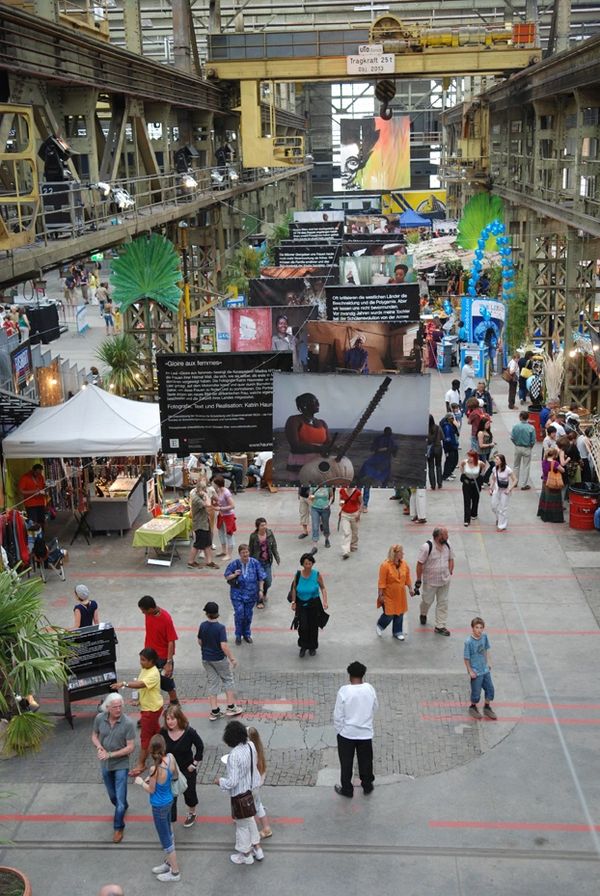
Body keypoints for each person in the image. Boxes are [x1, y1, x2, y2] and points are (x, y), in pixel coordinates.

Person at [134, 734, 182, 881]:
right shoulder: (171, 759)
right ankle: (169, 862)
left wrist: (141, 782)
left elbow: (151, 790)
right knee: (169, 831)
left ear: (150, 750)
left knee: (166, 840)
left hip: (159, 806)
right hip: (169, 801)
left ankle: (175, 872)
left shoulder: (154, 769)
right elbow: (174, 776)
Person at [217, 720, 264, 865]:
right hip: (253, 788)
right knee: (250, 818)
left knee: (242, 825)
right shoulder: (250, 745)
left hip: (240, 795)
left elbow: (232, 782)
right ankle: (257, 848)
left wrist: (219, 781)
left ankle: (246, 854)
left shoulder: (233, 756)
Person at [91, 693, 135, 844]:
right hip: (105, 764)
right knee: (113, 796)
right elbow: (94, 735)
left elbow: (130, 748)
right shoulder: (99, 719)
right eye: (115, 707)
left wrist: (110, 754)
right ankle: (122, 805)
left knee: (120, 801)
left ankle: (118, 827)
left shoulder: (128, 723)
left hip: (121, 764)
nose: (118, 709)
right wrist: (99, 747)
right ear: (107, 708)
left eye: (120, 706)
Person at [112, 647, 163, 776]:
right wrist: (139, 700)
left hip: (150, 710)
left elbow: (141, 684)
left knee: (145, 738)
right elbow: (142, 686)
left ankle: (141, 764)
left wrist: (123, 684)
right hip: (150, 707)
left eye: (143, 660)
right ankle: (163, 751)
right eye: (140, 659)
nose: (141, 662)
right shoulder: (146, 669)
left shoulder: (153, 673)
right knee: (156, 732)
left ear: (151, 661)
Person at [333, 660, 378, 798]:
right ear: (363, 675)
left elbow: (338, 714)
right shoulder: (369, 689)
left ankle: (347, 789)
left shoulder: (344, 691)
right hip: (365, 734)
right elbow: (375, 707)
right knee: (366, 761)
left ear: (349, 675)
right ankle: (367, 785)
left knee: (346, 763)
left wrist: (340, 730)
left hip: (347, 734)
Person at [160, 704, 204, 828]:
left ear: (179, 718)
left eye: (172, 719)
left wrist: (194, 764)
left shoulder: (189, 732)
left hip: (186, 769)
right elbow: (158, 748)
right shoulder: (163, 732)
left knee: (189, 793)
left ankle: (192, 813)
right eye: (168, 719)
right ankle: (171, 820)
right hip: (170, 770)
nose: (170, 722)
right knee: (170, 797)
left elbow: (200, 746)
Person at [198, 600, 242, 721]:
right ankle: (231, 707)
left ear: (207, 614)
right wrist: (232, 658)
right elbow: (223, 646)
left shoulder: (202, 625)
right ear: (217, 614)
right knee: (228, 680)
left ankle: (214, 710)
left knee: (213, 682)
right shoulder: (220, 628)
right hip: (219, 659)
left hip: (206, 659)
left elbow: (200, 641)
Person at [137, 595, 179, 707]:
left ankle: (174, 702)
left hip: (162, 657)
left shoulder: (166, 618)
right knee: (147, 679)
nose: (143, 613)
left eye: (143, 611)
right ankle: (147, 701)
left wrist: (169, 662)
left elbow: (171, 641)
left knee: (166, 681)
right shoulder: (148, 614)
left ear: (150, 609)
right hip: (149, 654)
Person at [415, 527, 454, 636]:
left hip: (444, 580)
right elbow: (420, 564)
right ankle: (423, 613)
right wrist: (418, 579)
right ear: (438, 537)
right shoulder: (427, 547)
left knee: (443, 602)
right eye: (445, 536)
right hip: (431, 582)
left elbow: (451, 558)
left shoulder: (448, 544)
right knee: (427, 601)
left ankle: (440, 626)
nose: (447, 537)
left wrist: (450, 570)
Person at [224, 545, 266, 645]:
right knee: (239, 614)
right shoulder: (235, 564)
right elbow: (227, 576)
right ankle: (238, 635)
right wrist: (234, 574)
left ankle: (247, 634)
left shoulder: (255, 563)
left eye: (246, 552)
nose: (245, 554)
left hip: (251, 594)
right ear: (239, 554)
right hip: (237, 594)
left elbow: (261, 577)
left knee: (247, 615)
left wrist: (261, 590)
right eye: (243, 552)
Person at [284, 392, 330, 481]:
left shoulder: (322, 423)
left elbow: (328, 443)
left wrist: (335, 447)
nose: (318, 404)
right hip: (299, 466)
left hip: (319, 466)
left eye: (317, 401)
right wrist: (320, 449)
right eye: (314, 401)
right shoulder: (294, 420)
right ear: (304, 405)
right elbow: (295, 446)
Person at [290, 552, 328, 657]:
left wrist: (325, 601)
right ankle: (303, 645)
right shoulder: (297, 575)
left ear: (312, 564)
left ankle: (312, 646)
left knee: (313, 626)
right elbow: (294, 589)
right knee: (303, 626)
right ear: (302, 564)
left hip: (314, 603)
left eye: (310, 563)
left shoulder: (316, 574)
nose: (308, 566)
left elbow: (323, 588)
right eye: (306, 563)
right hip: (301, 604)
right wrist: (294, 602)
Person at [376, 545, 413, 641]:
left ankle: (397, 631)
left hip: (400, 594)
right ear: (395, 554)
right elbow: (382, 582)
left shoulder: (404, 564)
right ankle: (380, 625)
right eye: (401, 552)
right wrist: (380, 595)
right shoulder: (385, 566)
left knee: (400, 612)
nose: (403, 554)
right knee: (389, 614)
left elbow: (407, 577)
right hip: (388, 594)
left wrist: (410, 588)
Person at [464, 617, 497, 720]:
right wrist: (470, 670)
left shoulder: (484, 637)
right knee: (476, 692)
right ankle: (472, 707)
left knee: (490, 688)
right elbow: (466, 658)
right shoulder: (468, 642)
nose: (479, 630)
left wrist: (488, 663)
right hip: (476, 671)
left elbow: (485, 650)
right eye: (477, 627)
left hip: (485, 669)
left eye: (481, 627)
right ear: (472, 628)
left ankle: (487, 707)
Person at [248, 517, 280, 607]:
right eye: (262, 525)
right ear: (257, 527)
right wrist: (249, 562)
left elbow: (274, 546)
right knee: (259, 582)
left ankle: (264, 593)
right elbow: (250, 549)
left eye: (265, 524)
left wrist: (277, 557)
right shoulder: (253, 536)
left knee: (268, 581)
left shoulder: (269, 533)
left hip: (267, 562)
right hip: (257, 563)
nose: (264, 526)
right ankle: (260, 601)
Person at [247, 726, 272, 839]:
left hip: (251, 785)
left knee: (256, 806)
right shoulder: (259, 750)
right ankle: (266, 828)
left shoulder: (251, 754)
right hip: (256, 783)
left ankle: (266, 829)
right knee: (258, 804)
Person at [187, 484, 218, 569]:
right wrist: (205, 495)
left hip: (204, 522)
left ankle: (209, 561)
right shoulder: (196, 499)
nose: (205, 491)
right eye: (204, 490)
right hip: (199, 524)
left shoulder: (198, 496)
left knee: (208, 542)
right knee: (198, 544)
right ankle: (191, 561)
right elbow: (208, 504)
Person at [488, 454, 517, 532]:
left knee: (503, 508)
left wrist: (509, 489)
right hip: (497, 489)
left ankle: (501, 525)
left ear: (502, 461)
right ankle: (498, 518)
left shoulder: (508, 469)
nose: (495, 461)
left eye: (497, 459)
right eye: (495, 459)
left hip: (505, 490)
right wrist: (491, 488)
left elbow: (515, 480)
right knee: (493, 506)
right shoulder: (494, 469)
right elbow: (493, 479)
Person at [537, 447, 565, 523]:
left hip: (545, 482)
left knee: (546, 498)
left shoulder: (544, 461)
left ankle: (544, 514)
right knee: (554, 500)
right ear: (555, 455)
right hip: (553, 483)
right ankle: (554, 517)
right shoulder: (555, 463)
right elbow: (562, 470)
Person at [460, 449, 486, 527]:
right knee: (467, 501)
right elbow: (461, 467)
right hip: (467, 484)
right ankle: (466, 520)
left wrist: (481, 476)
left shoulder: (480, 463)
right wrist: (463, 473)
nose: (470, 458)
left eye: (471, 457)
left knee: (475, 499)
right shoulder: (464, 462)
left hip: (476, 483)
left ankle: (474, 513)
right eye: (469, 456)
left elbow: (484, 468)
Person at [212, 475, 236, 561]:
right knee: (221, 533)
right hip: (221, 515)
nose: (213, 485)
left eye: (214, 484)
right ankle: (223, 551)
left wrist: (220, 508)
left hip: (228, 516)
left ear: (218, 484)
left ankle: (229, 554)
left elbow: (232, 506)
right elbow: (220, 502)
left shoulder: (226, 493)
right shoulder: (218, 491)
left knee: (229, 534)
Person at [511, 410, 536, 490]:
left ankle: (515, 482)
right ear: (527, 418)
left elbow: (512, 438)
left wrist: (516, 444)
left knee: (516, 465)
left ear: (520, 417)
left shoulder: (515, 426)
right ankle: (524, 484)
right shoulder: (531, 427)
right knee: (526, 466)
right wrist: (530, 447)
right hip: (527, 448)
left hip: (517, 447)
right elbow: (533, 440)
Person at [18, 463, 47, 532]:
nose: (38, 474)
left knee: (41, 521)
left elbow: (43, 487)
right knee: (33, 523)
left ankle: (41, 537)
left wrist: (46, 489)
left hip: (40, 502)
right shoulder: (25, 477)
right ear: (33, 471)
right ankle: (33, 539)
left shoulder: (41, 476)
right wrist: (33, 492)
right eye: (37, 472)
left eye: (40, 472)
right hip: (30, 504)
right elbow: (21, 491)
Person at [339, 483, 362, 559]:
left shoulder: (357, 492)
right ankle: (345, 551)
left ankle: (353, 544)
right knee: (346, 532)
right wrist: (341, 505)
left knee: (355, 532)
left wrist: (359, 513)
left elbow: (361, 503)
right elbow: (340, 500)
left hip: (354, 514)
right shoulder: (342, 490)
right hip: (345, 514)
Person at [308, 483, 334, 552]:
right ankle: (315, 545)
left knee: (325, 526)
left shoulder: (328, 486)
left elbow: (331, 496)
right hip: (315, 508)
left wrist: (328, 505)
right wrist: (311, 505)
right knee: (315, 526)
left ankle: (326, 539)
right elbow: (310, 497)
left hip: (325, 509)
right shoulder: (313, 486)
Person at [440, 412, 460, 481]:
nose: (453, 419)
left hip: (453, 446)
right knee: (449, 461)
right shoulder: (447, 427)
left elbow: (457, 432)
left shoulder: (450, 425)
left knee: (454, 460)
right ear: (448, 419)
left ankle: (449, 472)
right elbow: (448, 438)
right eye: (452, 418)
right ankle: (445, 475)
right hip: (450, 447)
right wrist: (451, 445)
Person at [476, 417, 496, 484]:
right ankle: (480, 481)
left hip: (488, 452)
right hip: (482, 452)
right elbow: (481, 445)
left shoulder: (487, 431)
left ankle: (485, 478)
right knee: (482, 467)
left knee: (493, 465)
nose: (488, 425)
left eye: (489, 424)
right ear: (483, 424)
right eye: (487, 424)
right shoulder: (481, 433)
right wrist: (490, 444)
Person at [427, 414, 443, 490]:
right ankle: (439, 483)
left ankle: (432, 484)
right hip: (438, 448)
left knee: (430, 467)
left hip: (429, 449)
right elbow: (443, 437)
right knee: (438, 466)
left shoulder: (425, 429)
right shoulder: (437, 427)